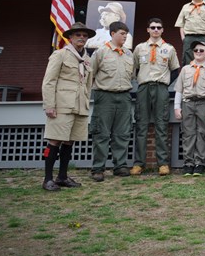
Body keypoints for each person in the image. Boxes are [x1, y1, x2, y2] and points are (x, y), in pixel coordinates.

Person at [41, 22, 95, 191]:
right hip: (62, 105)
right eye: (78, 35)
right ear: (70, 37)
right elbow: (49, 81)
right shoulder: (60, 55)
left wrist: (86, 101)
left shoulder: (86, 59)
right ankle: (48, 179)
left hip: (79, 105)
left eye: (84, 36)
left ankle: (62, 177)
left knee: (70, 141)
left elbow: (87, 83)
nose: (81, 38)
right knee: (55, 140)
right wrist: (49, 105)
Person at [130, 18, 180, 176]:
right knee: (141, 125)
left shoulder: (169, 49)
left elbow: (175, 70)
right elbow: (134, 69)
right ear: (148, 30)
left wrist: (164, 83)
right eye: (153, 27)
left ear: (162, 30)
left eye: (159, 27)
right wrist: (141, 80)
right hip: (144, 87)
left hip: (161, 88)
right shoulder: (139, 48)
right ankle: (139, 163)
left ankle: (163, 163)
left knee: (161, 125)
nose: (156, 30)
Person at [89, 21, 134, 182]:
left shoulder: (129, 54)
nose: (125, 36)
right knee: (102, 132)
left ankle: (120, 165)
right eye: (122, 34)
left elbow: (133, 75)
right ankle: (98, 168)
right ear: (113, 33)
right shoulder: (101, 52)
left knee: (122, 132)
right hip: (105, 95)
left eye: (126, 34)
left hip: (124, 96)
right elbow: (90, 74)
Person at [174, 41, 205, 176]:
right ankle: (188, 163)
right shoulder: (186, 69)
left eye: (201, 50)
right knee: (188, 133)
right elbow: (179, 89)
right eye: (196, 50)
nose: (198, 52)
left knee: (203, 133)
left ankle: (199, 162)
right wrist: (176, 107)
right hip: (188, 103)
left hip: (204, 102)